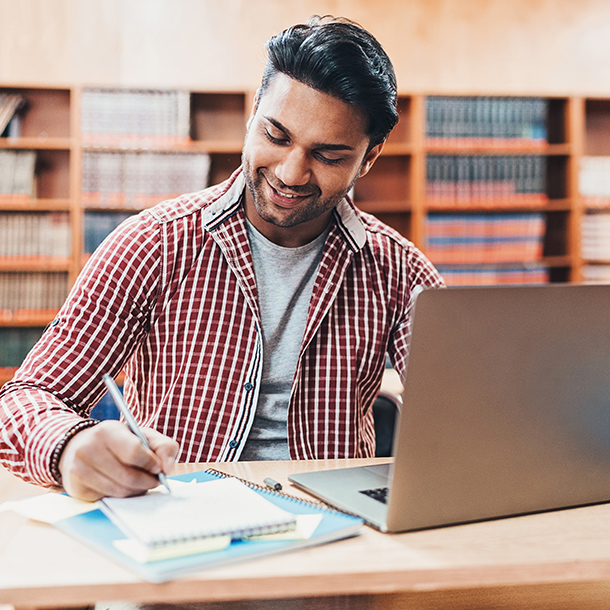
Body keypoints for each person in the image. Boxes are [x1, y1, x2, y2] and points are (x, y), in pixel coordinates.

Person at [0, 15, 444, 501]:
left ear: (370, 157)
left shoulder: (398, 270)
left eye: (329, 156)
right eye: (276, 136)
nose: (292, 173)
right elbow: (25, 399)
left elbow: (474, 409)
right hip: (181, 521)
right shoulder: (155, 243)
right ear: (252, 117)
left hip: (339, 532)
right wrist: (68, 447)